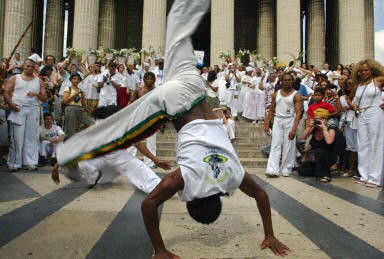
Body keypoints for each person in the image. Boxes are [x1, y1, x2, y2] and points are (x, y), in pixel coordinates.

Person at [57, 1, 290, 258]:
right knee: (120, 133)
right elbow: (149, 205)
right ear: (191, 199)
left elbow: (260, 195)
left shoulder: (234, 175)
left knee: (178, 29)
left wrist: (269, 232)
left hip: (194, 84)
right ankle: (69, 153)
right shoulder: (186, 179)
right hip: (175, 102)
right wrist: (160, 249)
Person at [52, 105, 171, 193]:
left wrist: (57, 166)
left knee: (86, 165)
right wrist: (155, 160)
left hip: (104, 159)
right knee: (138, 168)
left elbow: (74, 148)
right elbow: (138, 144)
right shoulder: (117, 126)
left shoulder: (97, 126)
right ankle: (157, 186)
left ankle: (93, 173)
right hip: (114, 158)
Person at [4, 59, 48, 171]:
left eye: (32, 67)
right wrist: (11, 105)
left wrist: (37, 94)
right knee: (17, 137)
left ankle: (30, 161)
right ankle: (14, 163)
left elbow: (45, 97)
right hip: (18, 109)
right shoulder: (14, 78)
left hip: (33, 109)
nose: (29, 68)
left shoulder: (39, 81)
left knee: (31, 137)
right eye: (28, 66)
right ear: (24, 66)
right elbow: (6, 93)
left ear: (35, 68)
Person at [350, 59, 384, 188]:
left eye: (366, 70)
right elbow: (354, 100)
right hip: (362, 114)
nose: (363, 72)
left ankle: (375, 177)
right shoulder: (359, 85)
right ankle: (364, 175)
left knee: (376, 143)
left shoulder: (378, 80)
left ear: (372, 70)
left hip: (376, 111)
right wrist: (354, 106)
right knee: (362, 144)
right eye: (361, 70)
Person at [264, 73, 302, 177]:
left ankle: (286, 168)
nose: (287, 82)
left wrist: (294, 129)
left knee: (288, 145)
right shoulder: (276, 94)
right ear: (281, 81)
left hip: (290, 120)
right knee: (275, 144)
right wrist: (267, 124)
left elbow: (298, 113)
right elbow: (271, 110)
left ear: (292, 81)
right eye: (284, 80)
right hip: (278, 120)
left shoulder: (296, 95)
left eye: (289, 80)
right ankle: (272, 169)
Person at [62, 71, 94, 138]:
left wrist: (82, 97)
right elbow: (65, 101)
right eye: (74, 78)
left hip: (80, 108)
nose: (76, 80)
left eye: (78, 79)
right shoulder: (68, 88)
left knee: (91, 123)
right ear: (71, 80)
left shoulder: (80, 90)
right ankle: (71, 143)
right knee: (70, 129)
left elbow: (83, 104)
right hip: (70, 108)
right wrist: (75, 94)